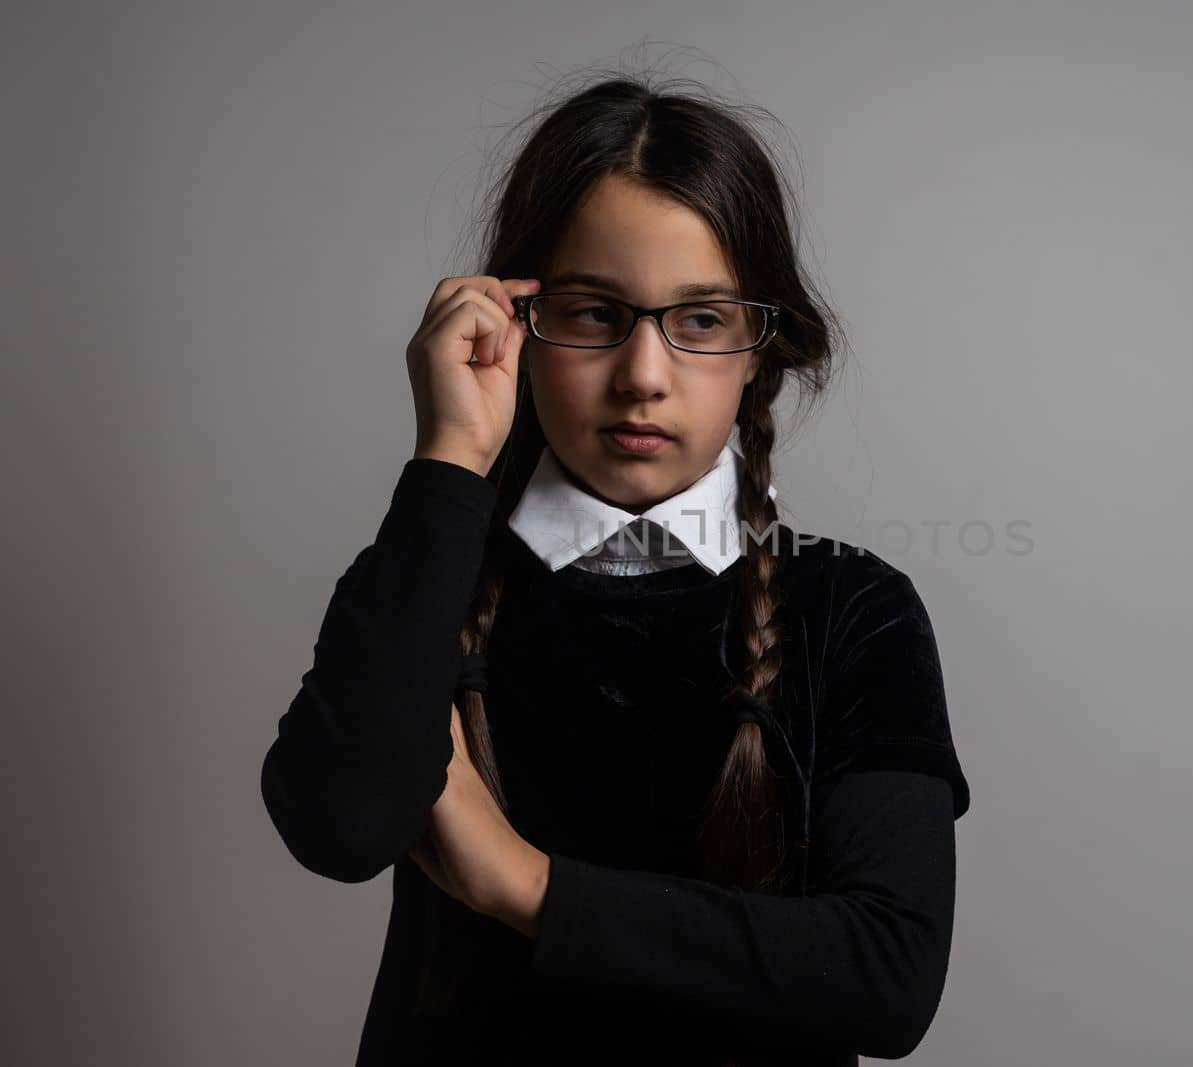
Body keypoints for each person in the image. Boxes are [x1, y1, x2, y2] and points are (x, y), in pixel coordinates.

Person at [259, 72, 971, 1066]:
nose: (643, 374)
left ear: (759, 346)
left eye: (701, 319)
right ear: (515, 318)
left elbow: (888, 978)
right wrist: (449, 457)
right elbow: (339, 825)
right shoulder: (431, 573)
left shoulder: (852, 608)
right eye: (594, 313)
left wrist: (523, 883)